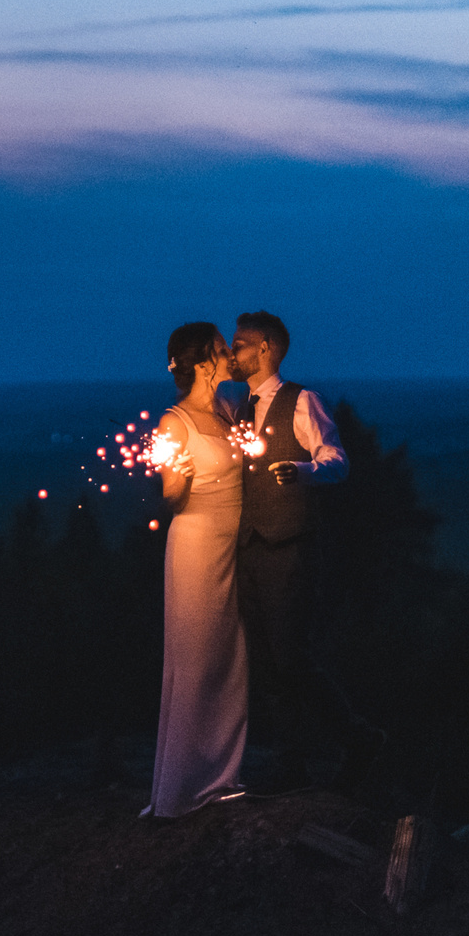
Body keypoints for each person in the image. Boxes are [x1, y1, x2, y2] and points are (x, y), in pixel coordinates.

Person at [219, 310, 389, 800]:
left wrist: (303, 470)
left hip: (290, 545)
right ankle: (290, 764)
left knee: (291, 655)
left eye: (240, 344)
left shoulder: (302, 401)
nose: (232, 351)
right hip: (251, 547)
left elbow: (337, 460)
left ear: (266, 348)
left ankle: (360, 738)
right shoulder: (240, 407)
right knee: (268, 660)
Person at [144, 321, 250, 819]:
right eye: (223, 349)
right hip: (196, 548)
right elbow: (171, 498)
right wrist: (176, 480)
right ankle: (181, 791)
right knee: (196, 660)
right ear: (206, 361)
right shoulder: (174, 423)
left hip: (231, 548)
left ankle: (220, 776)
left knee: (229, 659)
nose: (231, 354)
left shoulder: (227, 413)